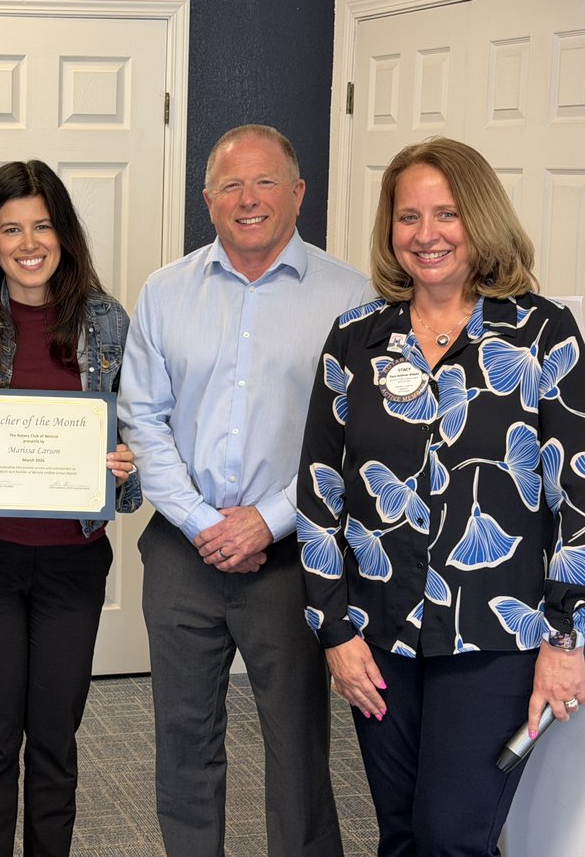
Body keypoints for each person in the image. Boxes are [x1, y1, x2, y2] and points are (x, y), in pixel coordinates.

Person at [297, 136, 585, 856]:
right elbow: (319, 493)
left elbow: (577, 499)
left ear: (480, 219)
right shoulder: (356, 340)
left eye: (446, 213)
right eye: (408, 217)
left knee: (450, 837)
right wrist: (333, 630)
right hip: (377, 635)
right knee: (399, 835)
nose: (425, 235)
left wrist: (566, 639)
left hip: (495, 639)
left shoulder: (542, 333)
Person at [118, 124, 372, 856]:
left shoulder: (351, 297)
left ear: (298, 193)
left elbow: (353, 438)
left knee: (297, 746)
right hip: (181, 551)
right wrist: (204, 522)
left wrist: (264, 522)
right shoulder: (165, 292)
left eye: (265, 183)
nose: (248, 199)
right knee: (183, 738)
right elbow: (143, 417)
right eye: (230, 185)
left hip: (296, 557)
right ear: (208, 200)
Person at [0, 159, 141, 856]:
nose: (27, 242)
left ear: (65, 234)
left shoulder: (108, 323)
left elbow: (133, 431)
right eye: (10, 227)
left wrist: (123, 465)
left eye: (42, 225)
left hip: (73, 566)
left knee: (54, 737)